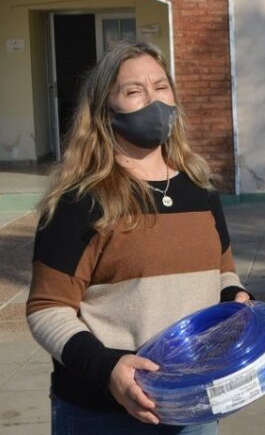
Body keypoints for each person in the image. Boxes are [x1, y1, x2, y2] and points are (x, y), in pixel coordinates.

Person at [27, 41, 252, 434]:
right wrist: (108, 368)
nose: (154, 100)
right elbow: (47, 308)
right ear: (104, 111)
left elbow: (223, 274)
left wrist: (234, 300)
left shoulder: (200, 189)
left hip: (193, 406)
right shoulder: (81, 200)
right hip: (102, 413)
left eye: (161, 87)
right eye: (134, 91)